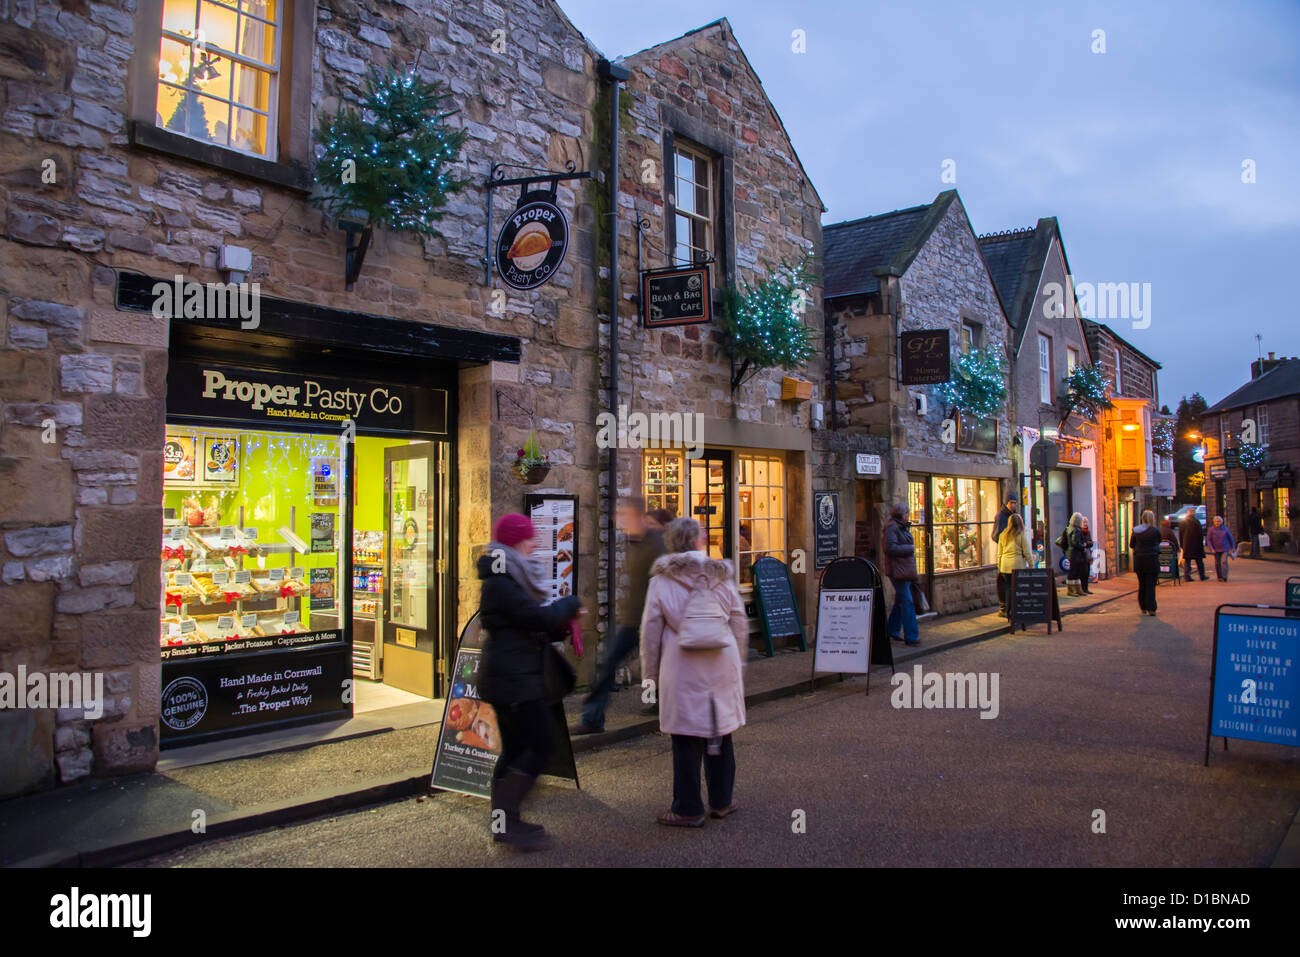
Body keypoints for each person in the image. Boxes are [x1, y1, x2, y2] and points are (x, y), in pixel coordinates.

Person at [477, 514, 582, 850]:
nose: (535, 543)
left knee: (516, 750)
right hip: (514, 680)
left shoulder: (511, 574)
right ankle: (507, 823)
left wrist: (560, 624)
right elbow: (534, 616)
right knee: (541, 746)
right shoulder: (501, 579)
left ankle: (505, 822)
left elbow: (531, 623)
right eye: (529, 538)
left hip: (513, 675)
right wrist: (571, 602)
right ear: (515, 541)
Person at [640, 517, 746, 827]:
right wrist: (737, 660)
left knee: (686, 737)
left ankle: (687, 808)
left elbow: (650, 630)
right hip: (720, 662)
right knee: (719, 731)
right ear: (699, 541)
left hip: (682, 666)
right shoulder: (719, 576)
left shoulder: (661, 581)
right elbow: (738, 619)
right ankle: (722, 801)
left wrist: (650, 674)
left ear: (671, 544)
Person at [572, 497, 665, 735]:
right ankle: (592, 718)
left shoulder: (656, 545)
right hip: (632, 621)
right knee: (608, 663)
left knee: (661, 665)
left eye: (623, 514)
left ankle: (669, 706)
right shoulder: (633, 541)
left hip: (653, 620)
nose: (618, 519)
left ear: (635, 515)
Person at [882, 502, 920, 646]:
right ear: (902, 514)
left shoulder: (900, 526)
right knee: (907, 602)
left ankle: (892, 630)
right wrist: (910, 548)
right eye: (907, 513)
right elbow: (889, 548)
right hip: (898, 570)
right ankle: (912, 636)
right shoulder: (892, 528)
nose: (908, 515)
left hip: (905, 570)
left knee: (900, 601)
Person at [996, 513, 1032, 617]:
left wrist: (999, 566)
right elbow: (1027, 552)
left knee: (1008, 588)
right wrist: (1031, 565)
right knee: (1017, 588)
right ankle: (1016, 610)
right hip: (1017, 565)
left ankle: (1007, 611)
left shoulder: (1003, 535)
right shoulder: (1021, 535)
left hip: (1005, 565)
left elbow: (999, 552)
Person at [1130, 510, 1163, 616]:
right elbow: (1159, 541)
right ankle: (1151, 607)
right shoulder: (1155, 531)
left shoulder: (1135, 531)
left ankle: (1143, 606)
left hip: (1139, 560)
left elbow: (1131, 545)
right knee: (1150, 585)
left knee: (1142, 584)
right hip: (1152, 560)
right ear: (1152, 518)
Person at [991, 496, 1018, 614]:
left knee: (1012, 584)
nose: (1013, 505)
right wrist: (1006, 543)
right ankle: (1004, 607)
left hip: (1015, 558)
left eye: (1015, 503)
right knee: (1004, 583)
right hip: (1004, 556)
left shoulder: (1015, 516)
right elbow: (995, 535)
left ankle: (1010, 607)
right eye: (1011, 503)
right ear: (1006, 503)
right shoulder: (1001, 516)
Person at [1063, 513, 1091, 597]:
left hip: (1071, 554)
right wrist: (1084, 546)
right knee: (1075, 573)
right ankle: (1072, 590)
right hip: (1076, 555)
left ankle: (1076, 589)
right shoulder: (1077, 530)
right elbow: (1075, 542)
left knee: (1073, 572)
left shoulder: (1069, 528)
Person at [1207, 515, 1237, 581]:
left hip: (1225, 548)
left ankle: (1224, 576)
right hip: (1215, 549)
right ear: (1214, 522)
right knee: (1217, 563)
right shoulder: (1211, 530)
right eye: (1216, 521)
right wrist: (1211, 548)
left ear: (1221, 522)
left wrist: (1233, 547)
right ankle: (1219, 576)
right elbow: (1209, 540)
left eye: (1218, 521)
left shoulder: (1225, 529)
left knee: (1224, 561)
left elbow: (1230, 538)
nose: (1217, 523)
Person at [1180, 511, 1208, 581]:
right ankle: (1202, 576)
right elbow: (1200, 534)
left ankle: (1187, 576)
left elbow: (1180, 534)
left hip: (1187, 544)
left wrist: (1182, 544)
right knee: (1199, 561)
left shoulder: (1183, 522)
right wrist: (1201, 542)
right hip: (1196, 544)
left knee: (1187, 561)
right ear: (1193, 513)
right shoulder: (1196, 521)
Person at [1078, 516, 1096, 594]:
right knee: (1083, 572)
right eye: (1084, 522)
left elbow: (1091, 543)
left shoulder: (1088, 532)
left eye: (1086, 522)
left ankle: (1086, 589)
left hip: (1087, 554)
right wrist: (1086, 544)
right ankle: (1082, 589)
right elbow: (1080, 543)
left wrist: (1087, 544)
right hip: (1081, 555)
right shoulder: (1079, 531)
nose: (1085, 523)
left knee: (1087, 573)